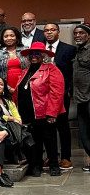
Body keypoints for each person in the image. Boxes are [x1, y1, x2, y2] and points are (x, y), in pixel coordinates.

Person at [17, 42, 64, 177]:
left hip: (45, 113)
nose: (34, 56)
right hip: (28, 113)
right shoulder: (25, 70)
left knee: (50, 140)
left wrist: (52, 113)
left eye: (37, 53)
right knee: (34, 141)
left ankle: (54, 165)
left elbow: (57, 93)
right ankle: (36, 165)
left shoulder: (51, 69)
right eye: (31, 54)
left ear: (43, 55)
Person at [43, 23, 76, 170]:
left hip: (62, 94)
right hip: (44, 95)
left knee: (62, 126)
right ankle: (51, 156)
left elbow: (73, 73)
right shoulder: (40, 49)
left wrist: (69, 90)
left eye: (52, 30)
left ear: (58, 31)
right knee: (47, 127)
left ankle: (66, 157)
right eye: (46, 30)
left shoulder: (69, 49)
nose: (49, 33)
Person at [72, 24, 90, 172]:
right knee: (84, 132)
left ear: (88, 35)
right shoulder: (77, 52)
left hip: (89, 96)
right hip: (80, 98)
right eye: (75, 33)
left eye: (81, 33)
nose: (77, 35)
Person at [0, 26, 27, 102]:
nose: (9, 38)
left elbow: (30, 70)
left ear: (17, 37)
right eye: (6, 36)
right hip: (6, 88)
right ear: (2, 38)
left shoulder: (25, 50)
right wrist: (8, 88)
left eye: (12, 35)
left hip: (24, 86)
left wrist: (21, 87)